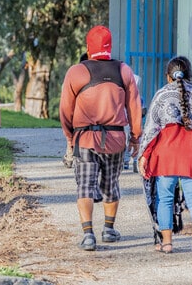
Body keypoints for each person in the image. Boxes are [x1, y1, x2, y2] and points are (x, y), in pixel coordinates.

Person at [59, 25, 143, 251]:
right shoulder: (124, 70)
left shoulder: (76, 72)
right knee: (111, 183)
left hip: (84, 139)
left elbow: (65, 111)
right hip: (115, 140)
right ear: (110, 46)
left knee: (85, 185)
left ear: (88, 47)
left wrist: (70, 138)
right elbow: (135, 107)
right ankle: (108, 229)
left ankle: (88, 234)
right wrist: (135, 138)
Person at [138, 56, 192, 259]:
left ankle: (166, 243)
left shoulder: (160, 95)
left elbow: (150, 131)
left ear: (168, 77)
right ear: (188, 74)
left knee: (165, 198)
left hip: (166, 154)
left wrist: (143, 155)